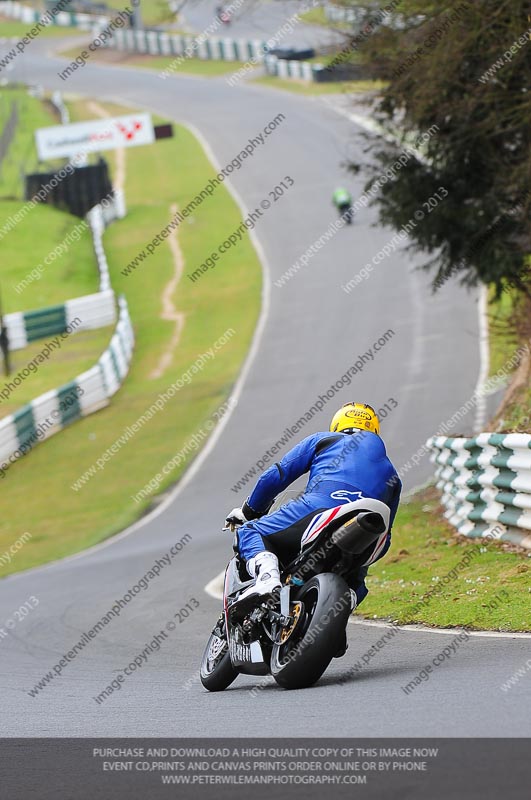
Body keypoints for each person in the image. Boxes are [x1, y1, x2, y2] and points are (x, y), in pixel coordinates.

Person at [225, 403, 401, 608]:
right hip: (370, 533)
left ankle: (267, 578)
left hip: (319, 506)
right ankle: (349, 599)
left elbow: (276, 476)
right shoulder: (393, 475)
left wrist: (250, 511)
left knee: (250, 531)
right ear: (374, 430)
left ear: (337, 425)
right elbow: (386, 537)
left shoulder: (324, 440)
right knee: (358, 580)